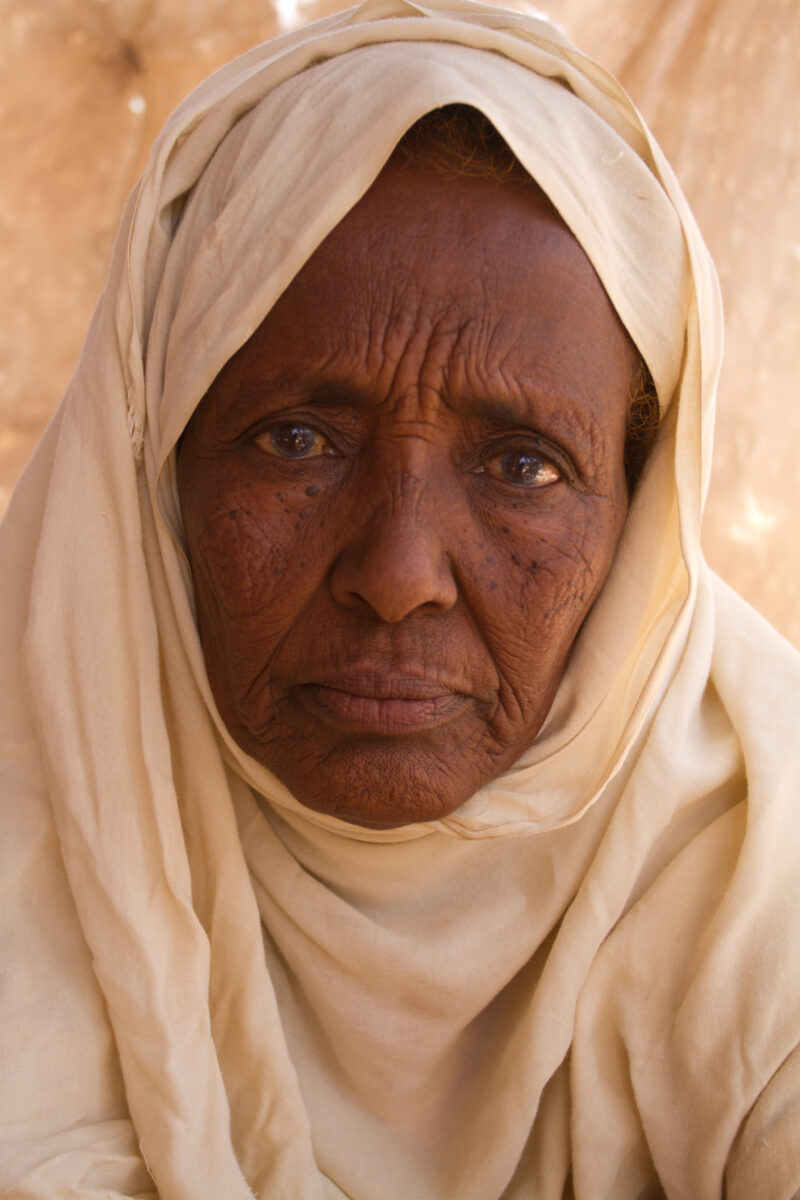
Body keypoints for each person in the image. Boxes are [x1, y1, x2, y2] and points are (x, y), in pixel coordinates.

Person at [1, 1, 798, 1197]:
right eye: (296, 440)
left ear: (636, 517)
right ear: (155, 468)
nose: (397, 574)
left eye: (523, 465)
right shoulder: (32, 809)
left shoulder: (759, 869)